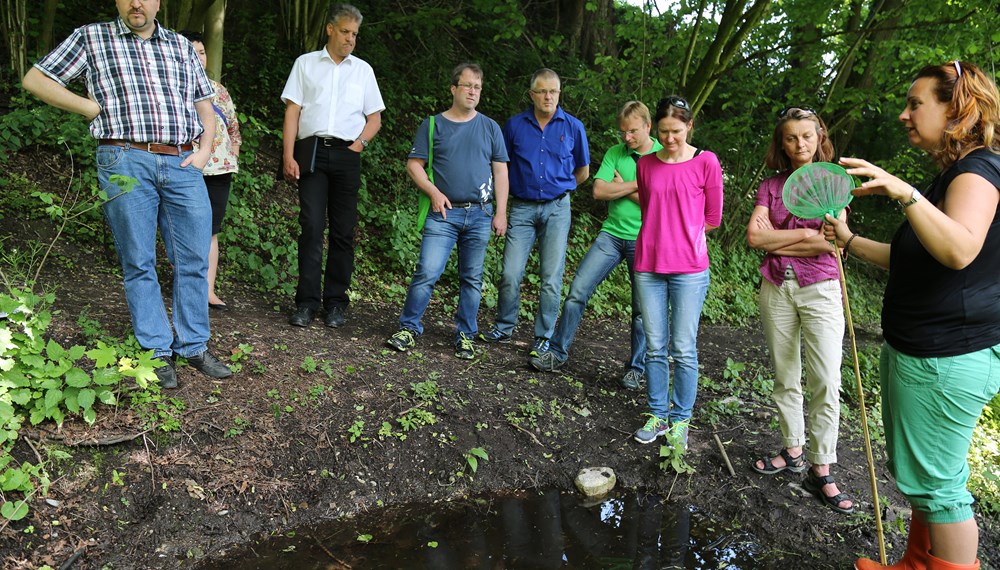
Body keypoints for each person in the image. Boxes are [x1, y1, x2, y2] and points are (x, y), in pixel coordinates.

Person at [824, 61, 1000, 570]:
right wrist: (851, 241)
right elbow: (917, 259)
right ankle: (915, 564)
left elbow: (960, 250)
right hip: (928, 353)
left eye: (915, 103)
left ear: (957, 108)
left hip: (945, 358)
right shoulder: (952, 176)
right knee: (926, 479)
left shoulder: (978, 171)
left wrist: (905, 192)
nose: (904, 114)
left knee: (941, 489)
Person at [22, 0, 233, 389]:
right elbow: (36, 80)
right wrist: (88, 106)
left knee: (193, 256)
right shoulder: (91, 37)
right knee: (138, 259)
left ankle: (194, 345)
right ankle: (156, 349)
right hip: (124, 158)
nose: (137, 3)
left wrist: (203, 151)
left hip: (182, 161)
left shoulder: (181, 46)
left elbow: (205, 106)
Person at [746, 107, 853, 515]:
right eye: (791, 138)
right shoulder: (770, 186)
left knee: (826, 377)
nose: (799, 144)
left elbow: (832, 244)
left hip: (821, 288)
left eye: (806, 136)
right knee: (785, 373)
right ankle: (792, 449)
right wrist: (807, 233)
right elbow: (756, 236)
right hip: (776, 286)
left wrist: (785, 238)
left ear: (819, 136)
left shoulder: (833, 182)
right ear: (782, 143)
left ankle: (821, 467)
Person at [529, 101, 660, 389]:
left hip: (645, 240)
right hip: (611, 236)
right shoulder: (616, 152)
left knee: (642, 310)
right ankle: (557, 353)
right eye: (623, 132)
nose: (626, 138)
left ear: (648, 127)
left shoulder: (662, 156)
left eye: (633, 132)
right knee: (577, 292)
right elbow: (600, 191)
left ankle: (636, 369)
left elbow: (660, 205)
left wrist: (622, 186)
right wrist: (637, 184)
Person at [385, 63, 509, 360]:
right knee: (427, 271)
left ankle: (465, 335)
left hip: (480, 214)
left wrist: (501, 212)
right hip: (444, 213)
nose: (472, 91)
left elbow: (501, 171)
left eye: (477, 87)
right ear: (453, 88)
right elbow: (414, 165)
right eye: (467, 85)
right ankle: (408, 328)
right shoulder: (433, 125)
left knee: (472, 278)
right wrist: (434, 192)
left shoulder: (491, 127)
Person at [281, 3, 384, 329]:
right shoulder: (306, 64)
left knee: (343, 231)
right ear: (330, 29)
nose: (350, 39)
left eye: (354, 34)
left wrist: (359, 146)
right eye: (345, 31)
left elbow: (375, 118)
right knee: (311, 226)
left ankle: (336, 303)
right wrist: (288, 154)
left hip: (347, 155)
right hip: (311, 151)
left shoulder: (363, 70)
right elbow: (293, 112)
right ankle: (307, 303)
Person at [478, 68, 590, 357]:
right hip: (522, 208)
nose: (548, 96)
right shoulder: (514, 126)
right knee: (510, 272)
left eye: (553, 90)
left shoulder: (574, 127)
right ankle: (504, 326)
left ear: (559, 93)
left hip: (557, 208)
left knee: (551, 277)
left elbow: (583, 171)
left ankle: (544, 336)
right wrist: (501, 208)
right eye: (542, 91)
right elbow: (501, 167)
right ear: (531, 94)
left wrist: (560, 189)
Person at [631, 96, 722, 448]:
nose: (670, 139)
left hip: (689, 269)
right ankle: (658, 414)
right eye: (665, 131)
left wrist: (684, 237)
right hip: (648, 266)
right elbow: (651, 208)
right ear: (655, 129)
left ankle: (681, 420)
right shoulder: (646, 164)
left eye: (677, 132)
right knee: (655, 347)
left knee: (683, 348)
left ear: (690, 127)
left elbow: (713, 218)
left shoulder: (705, 162)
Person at [181, 31, 241, 311]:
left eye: (202, 52)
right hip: (186, 166)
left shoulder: (218, 90)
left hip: (219, 170)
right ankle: (186, 288)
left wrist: (232, 155)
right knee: (182, 229)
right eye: (193, 52)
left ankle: (207, 290)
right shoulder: (171, 87)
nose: (199, 57)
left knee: (211, 231)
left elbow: (233, 128)